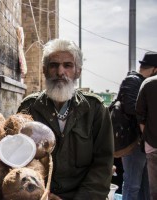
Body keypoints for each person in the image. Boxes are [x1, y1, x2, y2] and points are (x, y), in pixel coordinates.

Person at [17, 38, 114, 199]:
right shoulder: (29, 107)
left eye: (67, 65)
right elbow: (18, 157)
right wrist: (43, 194)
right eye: (54, 65)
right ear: (44, 70)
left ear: (78, 71)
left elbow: (103, 165)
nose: (60, 72)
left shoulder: (95, 109)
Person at [136, 52, 157, 200]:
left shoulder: (148, 84)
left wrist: (147, 137)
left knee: (153, 190)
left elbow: (140, 114)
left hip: (153, 145)